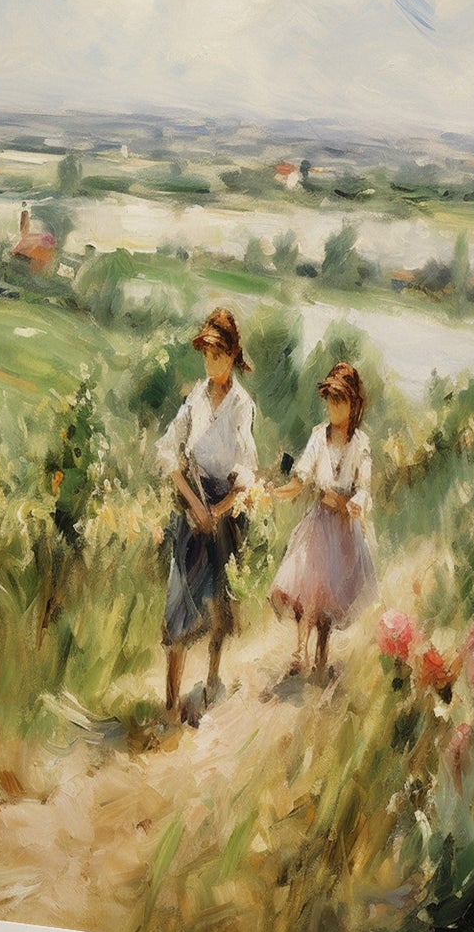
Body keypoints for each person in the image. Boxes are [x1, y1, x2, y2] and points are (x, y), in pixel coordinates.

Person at [157, 306, 260, 717]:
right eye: (206, 353)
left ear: (233, 355)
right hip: (192, 501)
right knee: (179, 598)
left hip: (226, 509)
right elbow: (168, 451)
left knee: (219, 600)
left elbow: (247, 472)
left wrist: (217, 511)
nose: (211, 360)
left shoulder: (240, 405)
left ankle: (213, 677)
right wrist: (194, 503)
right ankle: (170, 702)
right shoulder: (195, 398)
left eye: (218, 353)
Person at [270, 361, 375, 679]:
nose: (332, 407)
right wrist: (278, 492)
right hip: (319, 525)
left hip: (343, 530)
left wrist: (355, 504)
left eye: (339, 400)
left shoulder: (361, 444)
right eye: (329, 400)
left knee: (329, 601)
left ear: (352, 404)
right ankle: (299, 650)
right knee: (310, 589)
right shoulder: (318, 437)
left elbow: (365, 487)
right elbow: (301, 475)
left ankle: (320, 657)